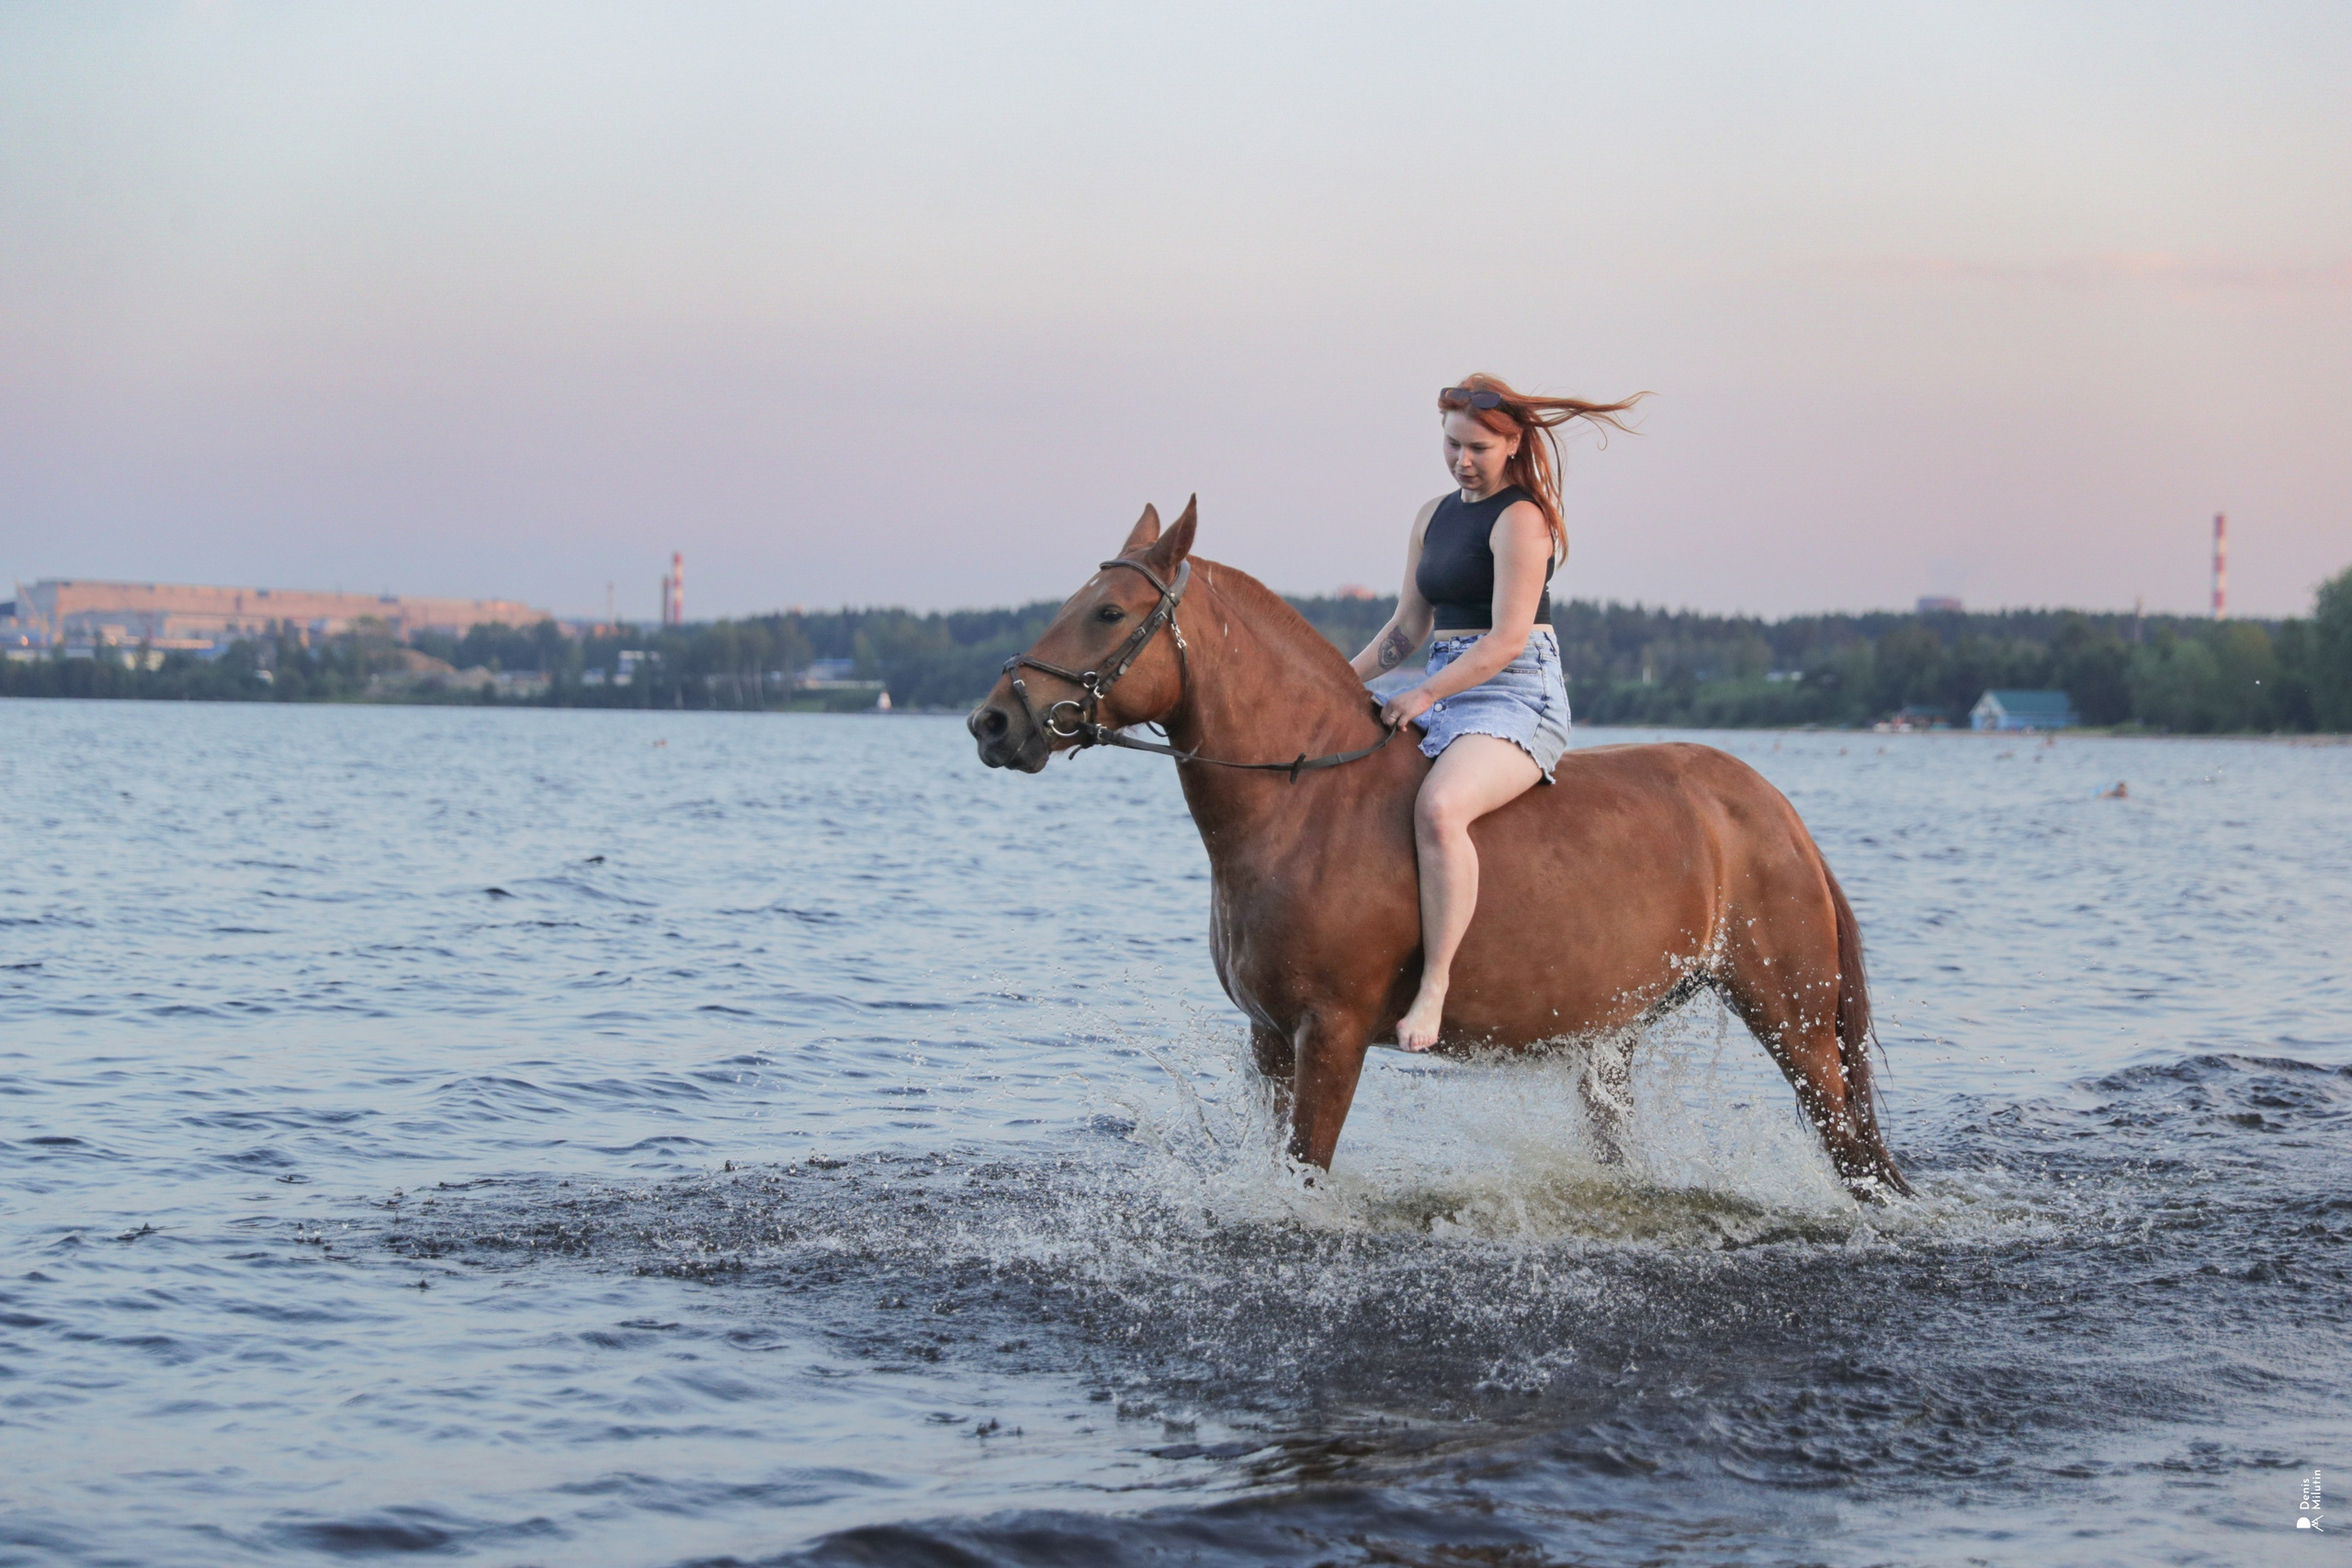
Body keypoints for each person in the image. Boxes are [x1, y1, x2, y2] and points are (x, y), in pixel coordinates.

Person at [1348, 374, 1645, 1052]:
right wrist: (1341, 678)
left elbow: (1508, 639)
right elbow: (1404, 629)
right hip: (1448, 690)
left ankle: (1435, 987)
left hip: (1517, 695)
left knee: (1440, 808)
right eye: (1452, 444)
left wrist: (1422, 694)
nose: (1462, 459)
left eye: (1479, 447)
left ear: (1512, 444)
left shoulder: (1523, 519)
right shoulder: (1431, 515)